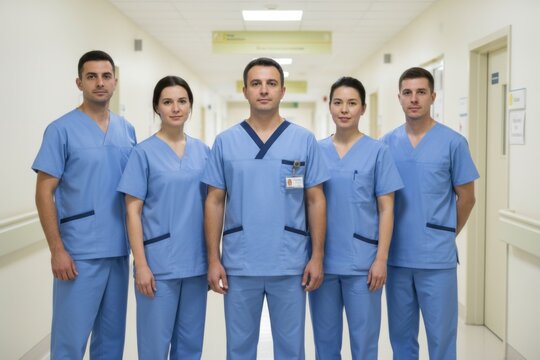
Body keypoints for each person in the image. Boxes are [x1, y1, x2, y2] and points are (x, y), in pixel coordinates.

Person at [202, 57, 329, 359]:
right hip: (240, 261)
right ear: (244, 90)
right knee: (239, 348)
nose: (264, 90)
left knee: (290, 349)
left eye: (271, 83)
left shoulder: (303, 140)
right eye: (256, 84)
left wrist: (318, 256)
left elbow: (315, 199)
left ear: (283, 90)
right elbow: (214, 200)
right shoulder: (226, 142)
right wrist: (213, 258)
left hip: (290, 262)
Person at [32, 50, 136, 359]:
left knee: (111, 341)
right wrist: (57, 249)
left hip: (118, 251)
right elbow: (43, 193)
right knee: (70, 341)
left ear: (115, 82)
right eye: (92, 77)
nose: (99, 83)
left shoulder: (126, 130)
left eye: (106, 76)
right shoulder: (60, 130)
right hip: (78, 255)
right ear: (80, 82)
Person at [381, 67, 479, 360]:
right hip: (396, 258)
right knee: (401, 339)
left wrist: (444, 232)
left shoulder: (453, 143)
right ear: (399, 97)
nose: (414, 99)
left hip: (437, 261)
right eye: (408, 93)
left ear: (433, 96)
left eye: (421, 92)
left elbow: (467, 199)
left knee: (442, 340)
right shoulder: (385, 145)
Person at [309, 77, 403, 359]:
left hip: (363, 264)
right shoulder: (315, 150)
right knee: (325, 345)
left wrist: (381, 259)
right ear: (330, 107)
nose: (344, 109)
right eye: (338, 102)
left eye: (352, 103)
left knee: (364, 345)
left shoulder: (378, 152)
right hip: (322, 263)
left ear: (363, 108)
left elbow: (387, 208)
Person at [117, 76, 209, 359]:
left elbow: (213, 207)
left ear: (190, 106)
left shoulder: (204, 152)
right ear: (157, 107)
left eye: (182, 101)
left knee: (190, 346)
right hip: (158, 265)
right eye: (167, 102)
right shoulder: (143, 153)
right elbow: (132, 210)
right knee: (155, 347)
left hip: (196, 263)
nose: (175, 108)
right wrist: (141, 264)